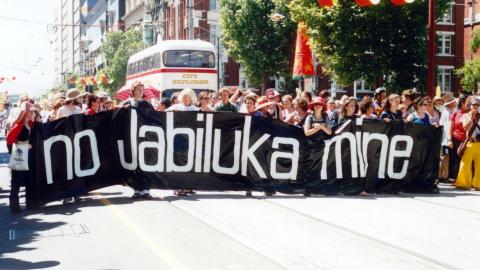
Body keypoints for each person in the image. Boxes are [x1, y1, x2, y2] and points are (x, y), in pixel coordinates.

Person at [122, 81, 154, 200]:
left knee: (145, 164)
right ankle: (136, 190)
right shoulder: (126, 103)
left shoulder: (147, 104)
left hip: (144, 138)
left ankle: (145, 190)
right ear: (133, 90)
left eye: (142, 89)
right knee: (134, 165)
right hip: (131, 137)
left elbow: (154, 118)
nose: (141, 91)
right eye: (138, 89)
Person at [6, 102, 37, 213]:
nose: (32, 112)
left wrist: (31, 144)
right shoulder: (19, 125)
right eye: (30, 111)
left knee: (30, 179)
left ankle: (31, 203)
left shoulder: (31, 123)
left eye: (32, 111)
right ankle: (14, 205)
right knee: (17, 180)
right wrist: (21, 143)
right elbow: (9, 139)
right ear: (25, 112)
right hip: (19, 152)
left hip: (29, 154)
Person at [455, 97, 480, 190]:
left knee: (479, 165)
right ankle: (463, 183)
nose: (476, 106)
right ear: (470, 106)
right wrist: (472, 118)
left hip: (479, 143)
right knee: (465, 164)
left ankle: (478, 184)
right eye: (474, 105)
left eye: (478, 105)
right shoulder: (465, 116)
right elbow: (465, 128)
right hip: (470, 142)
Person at [449, 95, 468, 181]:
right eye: (466, 102)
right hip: (456, 138)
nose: (467, 104)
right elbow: (450, 128)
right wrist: (450, 140)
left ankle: (466, 179)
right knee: (457, 160)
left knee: (466, 160)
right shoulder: (455, 113)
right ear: (461, 102)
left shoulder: (471, 112)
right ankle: (456, 178)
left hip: (468, 139)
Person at [438, 94, 457, 183]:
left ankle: (443, 176)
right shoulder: (447, 113)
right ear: (450, 103)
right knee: (443, 157)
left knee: (446, 157)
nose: (454, 103)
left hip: (445, 139)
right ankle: (440, 176)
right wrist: (449, 139)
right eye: (453, 102)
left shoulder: (447, 112)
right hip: (445, 139)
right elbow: (446, 127)